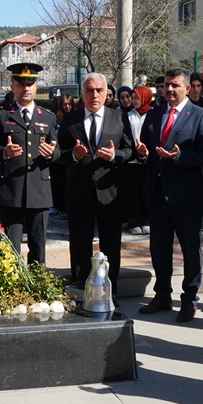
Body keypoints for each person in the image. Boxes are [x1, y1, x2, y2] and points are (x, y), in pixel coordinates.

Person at [135, 68, 203, 323]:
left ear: (187, 88)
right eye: (166, 85)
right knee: (159, 249)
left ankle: (189, 300)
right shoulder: (154, 115)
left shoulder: (201, 115)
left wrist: (179, 156)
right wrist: (143, 153)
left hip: (187, 196)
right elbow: (147, 152)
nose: (169, 90)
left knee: (190, 250)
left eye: (175, 85)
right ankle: (162, 295)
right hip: (158, 195)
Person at [57, 73, 134, 309]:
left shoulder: (119, 118)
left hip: (110, 192)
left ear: (106, 93)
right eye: (90, 90)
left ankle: (111, 293)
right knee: (79, 246)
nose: (95, 95)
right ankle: (81, 292)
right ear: (82, 93)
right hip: (79, 193)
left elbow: (130, 150)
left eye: (99, 90)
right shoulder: (70, 120)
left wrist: (114, 156)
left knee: (111, 245)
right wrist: (72, 155)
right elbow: (58, 153)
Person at [0, 63, 60, 264]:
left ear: (37, 87)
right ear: (12, 86)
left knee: (38, 244)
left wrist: (51, 154)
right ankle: (13, 287)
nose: (26, 88)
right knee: (10, 245)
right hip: (12, 190)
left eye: (30, 83)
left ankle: (38, 283)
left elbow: (58, 150)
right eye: (21, 84)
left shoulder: (48, 117)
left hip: (39, 190)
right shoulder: (2, 117)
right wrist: (4, 152)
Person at [123, 86, 153, 234]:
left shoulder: (154, 114)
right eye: (133, 98)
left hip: (149, 159)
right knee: (132, 192)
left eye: (137, 98)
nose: (134, 101)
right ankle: (133, 221)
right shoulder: (129, 115)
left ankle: (147, 220)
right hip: (132, 160)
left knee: (147, 191)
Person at [49, 93, 76, 217]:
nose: (67, 107)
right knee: (57, 181)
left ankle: (65, 206)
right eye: (64, 104)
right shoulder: (55, 118)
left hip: (70, 152)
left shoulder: (75, 117)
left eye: (69, 104)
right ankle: (57, 205)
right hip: (57, 153)